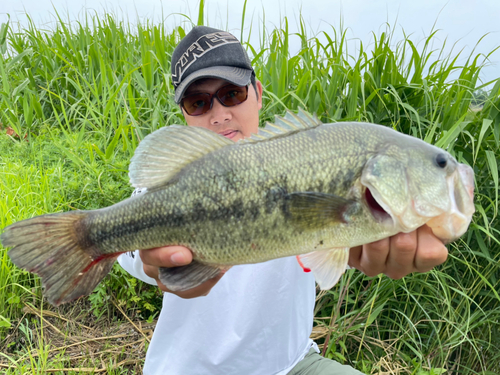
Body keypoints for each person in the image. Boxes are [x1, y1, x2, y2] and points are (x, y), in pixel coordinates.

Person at [118, 26, 448, 374]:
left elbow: (334, 252)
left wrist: (370, 240)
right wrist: (151, 259)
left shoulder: (309, 157)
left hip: (291, 365)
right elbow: (131, 251)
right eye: (198, 102)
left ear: (257, 93)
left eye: (231, 94)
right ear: (184, 115)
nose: (219, 114)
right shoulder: (170, 187)